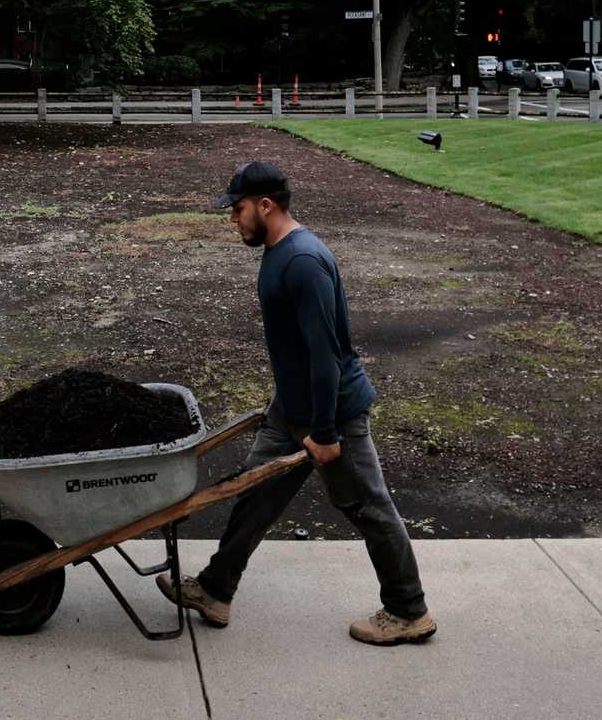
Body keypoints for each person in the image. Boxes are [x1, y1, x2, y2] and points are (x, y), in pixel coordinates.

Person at [159, 160, 436, 646]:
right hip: (292, 407)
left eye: (238, 208)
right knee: (253, 494)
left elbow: (326, 354)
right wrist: (284, 404)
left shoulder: (303, 262)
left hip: (332, 413)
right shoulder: (278, 251)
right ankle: (215, 590)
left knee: (367, 507)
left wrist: (325, 434)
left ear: (266, 205)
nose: (233, 218)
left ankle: (408, 610)